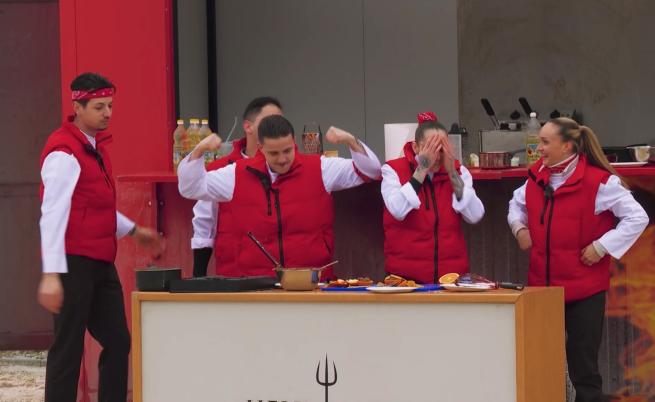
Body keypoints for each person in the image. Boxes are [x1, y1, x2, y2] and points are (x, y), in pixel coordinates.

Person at [37, 72, 164, 402]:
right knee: (68, 347)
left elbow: (97, 206)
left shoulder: (95, 148)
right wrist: (51, 274)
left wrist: (134, 230)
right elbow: (53, 214)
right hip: (72, 263)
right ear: (77, 107)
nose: (107, 113)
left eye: (110, 106)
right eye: (98, 107)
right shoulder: (64, 153)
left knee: (118, 339)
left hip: (100, 262)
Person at [507, 117, 648, 402]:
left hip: (584, 291)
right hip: (541, 290)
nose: (539, 148)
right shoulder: (535, 178)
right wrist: (519, 228)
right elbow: (515, 204)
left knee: (583, 369)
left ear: (567, 146)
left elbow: (637, 217)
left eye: (545, 142)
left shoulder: (600, 182)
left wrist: (602, 246)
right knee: (539, 363)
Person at [177, 114, 381, 278]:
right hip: (255, 285)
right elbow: (190, 188)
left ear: (294, 142)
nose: (283, 159)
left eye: (287, 151)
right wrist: (199, 150)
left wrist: (350, 141)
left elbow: (370, 171)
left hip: (313, 283)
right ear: (260, 148)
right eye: (274, 154)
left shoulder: (320, 168)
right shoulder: (236, 173)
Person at [381, 112, 484, 283]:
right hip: (406, 280)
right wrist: (422, 169)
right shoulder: (393, 170)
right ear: (415, 147)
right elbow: (397, 210)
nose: (436, 156)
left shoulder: (459, 172)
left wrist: (452, 172)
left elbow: (475, 215)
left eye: (441, 149)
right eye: (430, 148)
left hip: (451, 278)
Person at [191, 97, 283, 277]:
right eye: (269, 121)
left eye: (280, 121)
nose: (276, 127)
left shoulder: (289, 166)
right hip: (235, 277)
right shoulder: (220, 168)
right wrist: (198, 275)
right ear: (248, 127)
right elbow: (204, 221)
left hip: (284, 275)